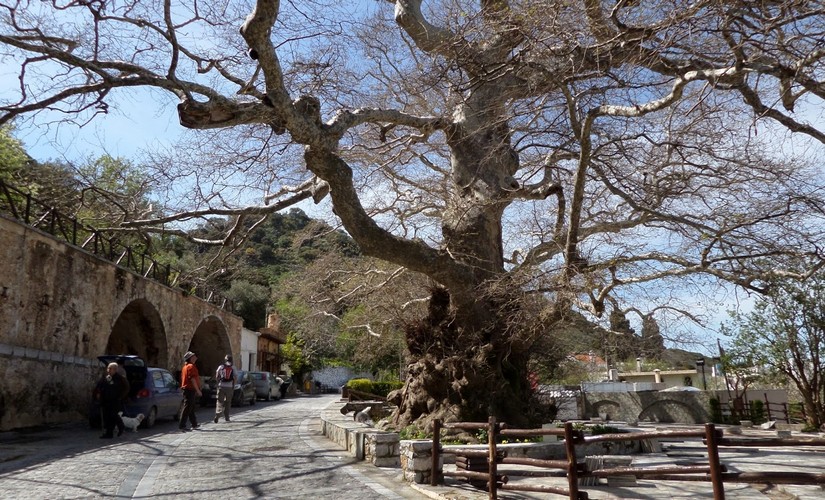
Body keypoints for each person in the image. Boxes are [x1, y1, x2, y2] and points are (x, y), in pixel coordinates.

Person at [95, 362, 129, 439]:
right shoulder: (106, 377)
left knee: (113, 415)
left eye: (110, 369)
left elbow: (126, 388)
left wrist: (120, 397)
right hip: (106, 400)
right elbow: (100, 386)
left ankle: (121, 426)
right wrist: (98, 393)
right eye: (108, 368)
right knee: (107, 417)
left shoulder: (120, 378)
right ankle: (109, 433)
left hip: (115, 400)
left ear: (115, 370)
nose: (108, 370)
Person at [178, 351, 202, 432]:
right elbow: (192, 379)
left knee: (190, 407)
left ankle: (194, 423)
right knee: (187, 407)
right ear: (190, 358)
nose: (195, 357)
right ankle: (182, 425)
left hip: (187, 389)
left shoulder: (186, 366)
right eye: (193, 356)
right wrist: (198, 390)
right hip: (189, 389)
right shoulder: (191, 367)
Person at [213, 355, 237, 423]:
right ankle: (227, 417)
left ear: (225, 360)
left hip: (221, 386)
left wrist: (218, 383)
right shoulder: (233, 367)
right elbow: (235, 378)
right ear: (231, 360)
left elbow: (217, 376)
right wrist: (233, 385)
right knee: (228, 402)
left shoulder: (221, 366)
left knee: (219, 401)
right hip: (229, 387)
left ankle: (218, 413)